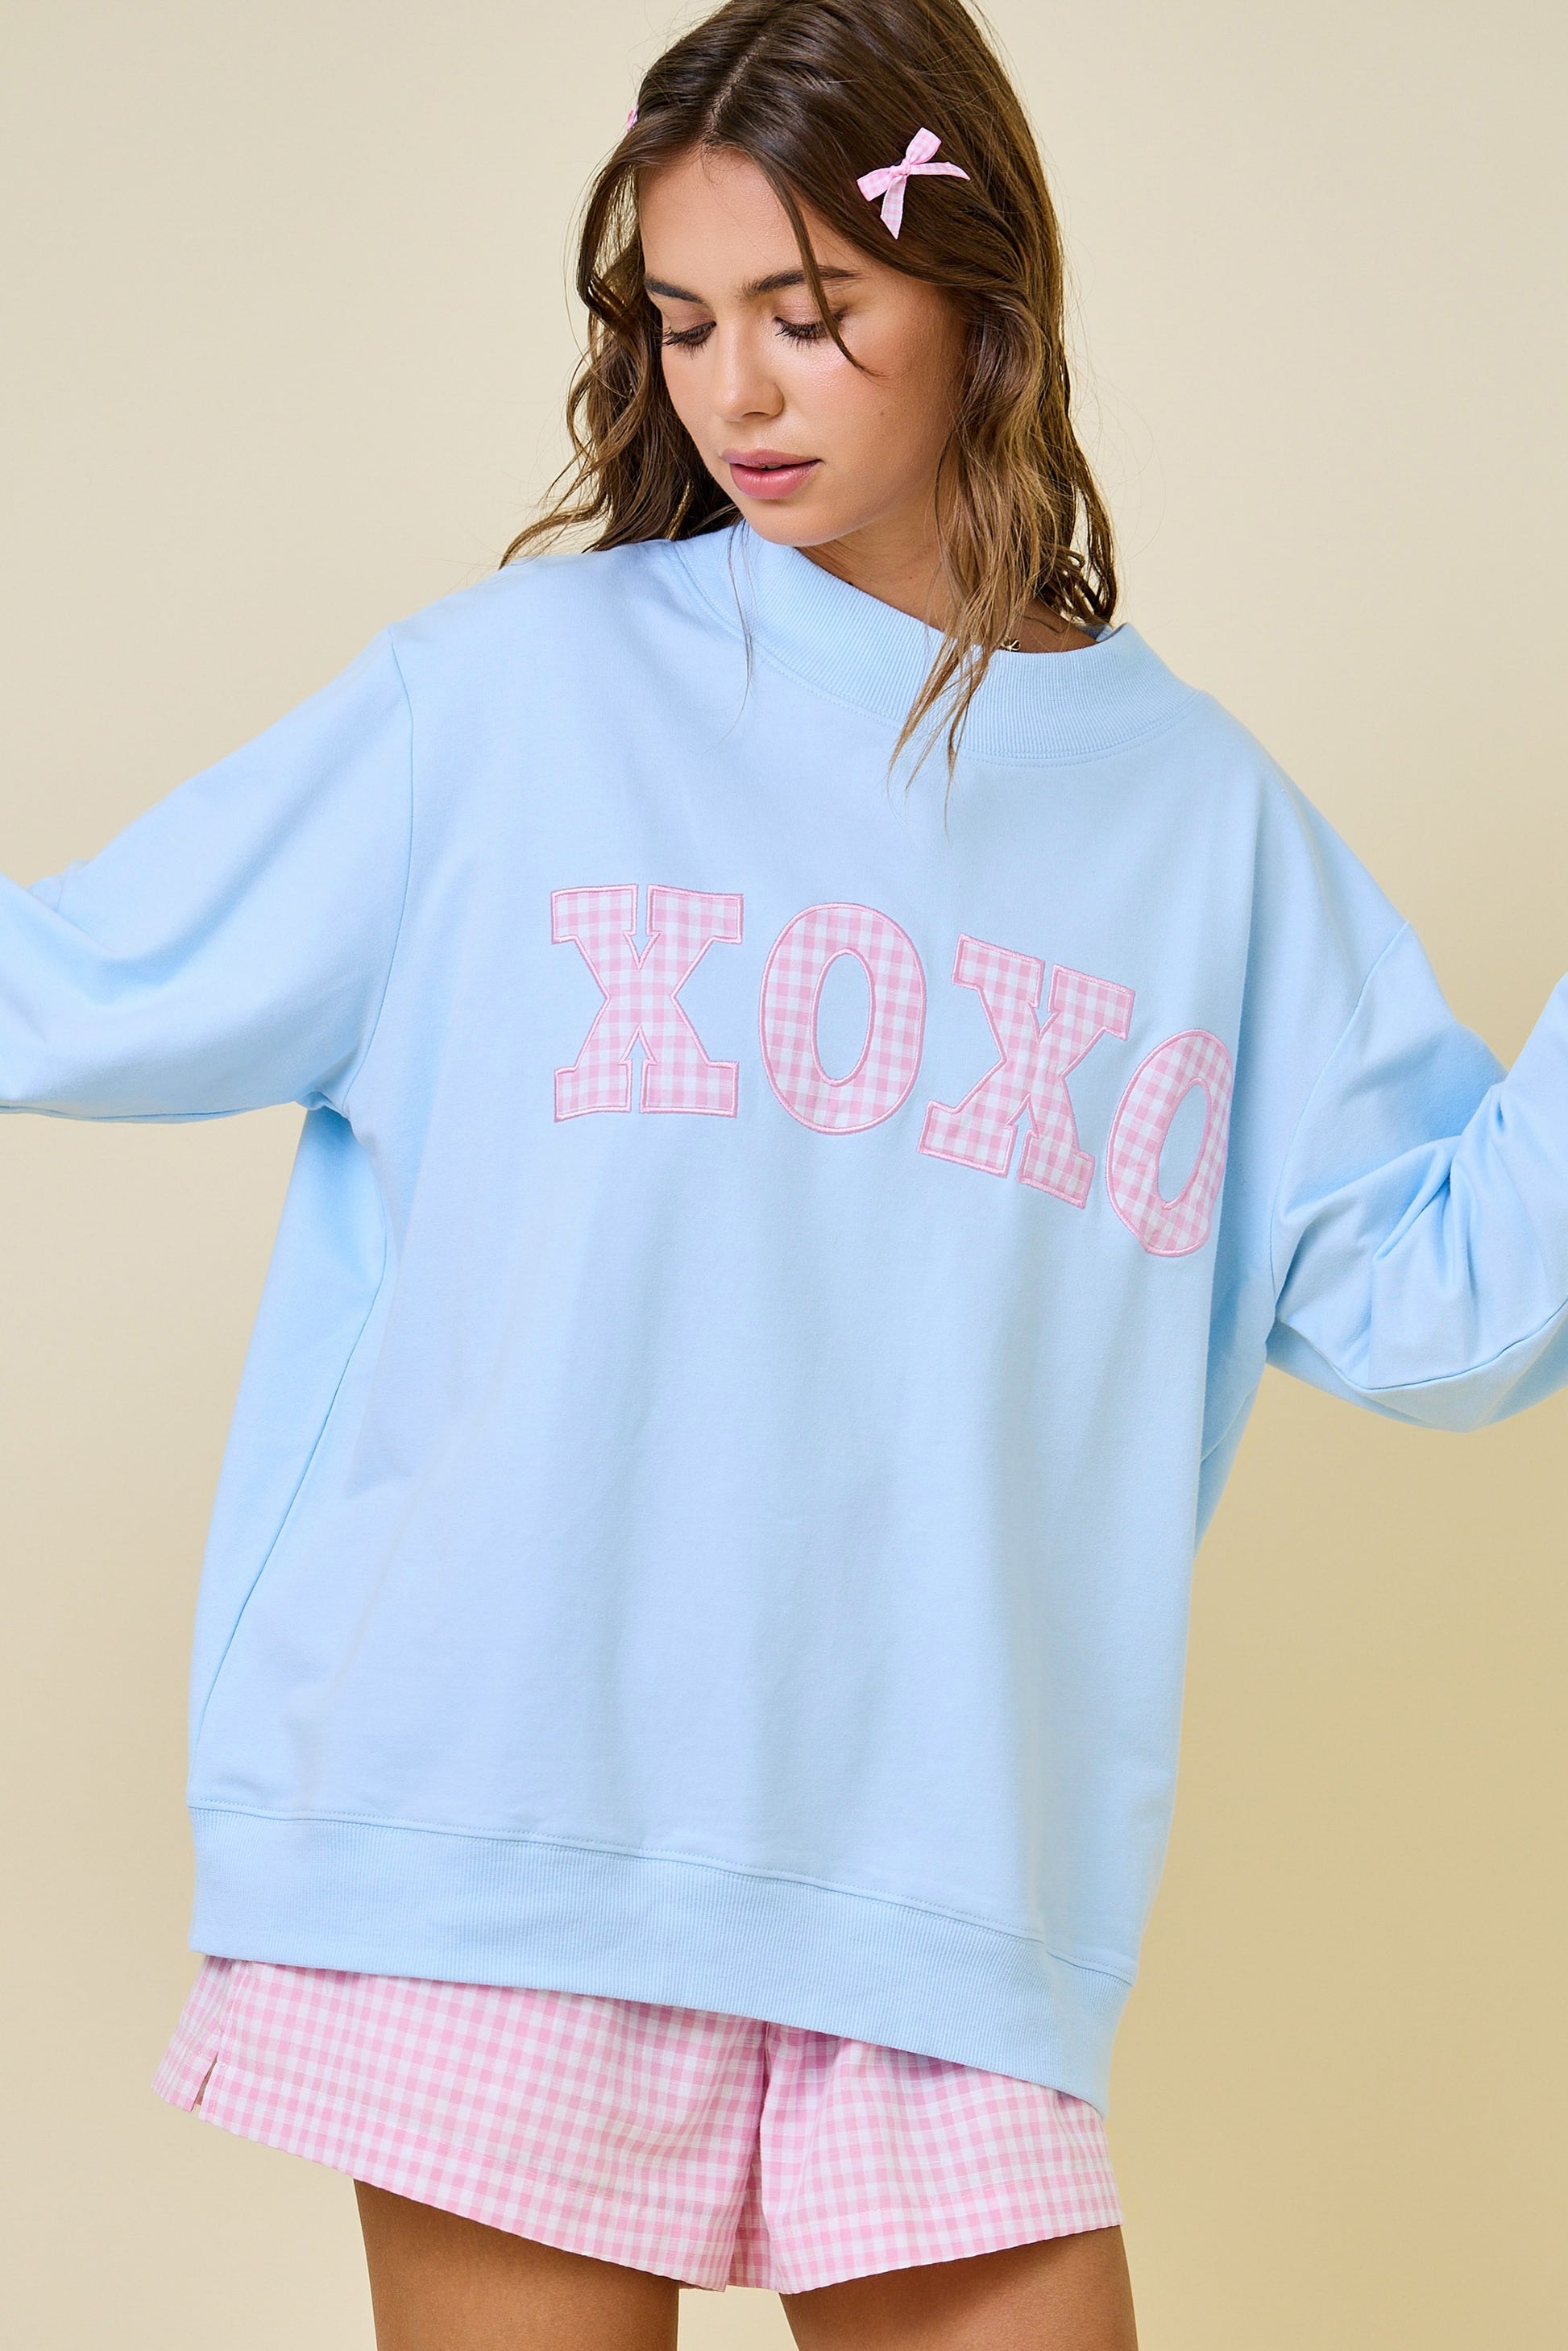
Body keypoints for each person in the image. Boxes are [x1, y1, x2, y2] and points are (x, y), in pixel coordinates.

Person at [5, 0, 1564, 2345]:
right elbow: (67, 983)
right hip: (499, 1842)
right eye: (685, 320)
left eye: (812, 315)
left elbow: (1450, 1312)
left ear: (979, 303)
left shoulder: (1198, 828)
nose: (737, 390)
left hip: (941, 1892)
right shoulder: (511, 702)